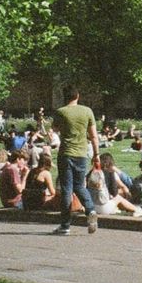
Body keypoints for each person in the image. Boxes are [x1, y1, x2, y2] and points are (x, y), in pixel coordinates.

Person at [52, 88, 101, 235]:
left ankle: (65, 225)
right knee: (80, 186)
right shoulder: (87, 111)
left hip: (66, 153)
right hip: (81, 154)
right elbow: (93, 136)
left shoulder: (61, 112)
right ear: (78, 96)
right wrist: (96, 154)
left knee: (67, 189)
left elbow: (54, 129)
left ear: (64, 97)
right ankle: (90, 209)